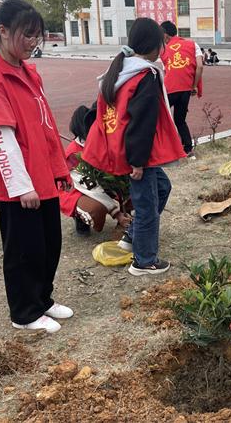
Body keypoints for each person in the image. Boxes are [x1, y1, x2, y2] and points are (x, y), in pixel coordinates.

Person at [0, 0, 72, 334]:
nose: (32, 42)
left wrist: (58, 168)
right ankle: (24, 311)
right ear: (2, 31)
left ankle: (42, 299)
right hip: (19, 182)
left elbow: (42, 126)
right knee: (23, 249)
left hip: (41, 173)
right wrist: (21, 185)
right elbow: (0, 135)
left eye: (37, 36)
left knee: (48, 243)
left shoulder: (28, 71)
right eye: (26, 35)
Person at [82, 18, 185, 276]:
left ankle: (132, 236)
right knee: (147, 203)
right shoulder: (144, 76)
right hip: (138, 156)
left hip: (123, 149)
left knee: (163, 187)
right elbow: (142, 123)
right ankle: (144, 260)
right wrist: (137, 162)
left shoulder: (123, 70)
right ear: (155, 45)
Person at [59, 104, 132, 236]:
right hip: (78, 190)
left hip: (102, 185)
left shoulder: (104, 143)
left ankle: (125, 221)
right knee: (96, 208)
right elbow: (90, 187)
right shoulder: (73, 155)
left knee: (132, 191)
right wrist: (116, 213)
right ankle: (80, 218)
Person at [160, 21, 204, 157]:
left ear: (166, 36)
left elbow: (165, 72)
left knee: (161, 118)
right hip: (185, 89)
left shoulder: (163, 50)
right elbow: (200, 66)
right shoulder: (192, 44)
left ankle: (165, 149)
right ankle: (188, 149)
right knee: (180, 120)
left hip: (169, 89)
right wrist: (194, 85)